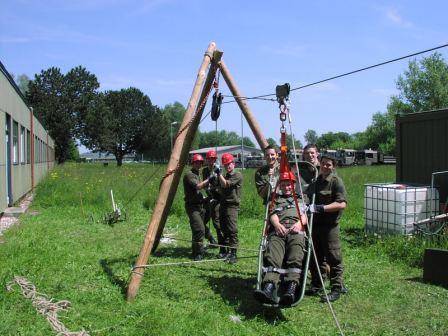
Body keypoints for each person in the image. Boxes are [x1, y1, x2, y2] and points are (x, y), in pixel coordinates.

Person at [254, 171, 308, 305]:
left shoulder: (302, 198)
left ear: (294, 185)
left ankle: (291, 288)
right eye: (283, 184)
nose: (286, 187)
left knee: (295, 255)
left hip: (296, 230)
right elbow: (272, 214)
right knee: (273, 255)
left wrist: (299, 224)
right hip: (278, 230)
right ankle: (269, 287)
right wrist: (277, 224)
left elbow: (305, 216)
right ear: (280, 186)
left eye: (289, 184)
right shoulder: (275, 199)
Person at [307, 155, 348, 302]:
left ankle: (336, 288)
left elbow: (342, 204)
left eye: (328, 165)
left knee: (333, 257)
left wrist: (321, 208)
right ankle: (317, 284)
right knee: (316, 257)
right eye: (323, 164)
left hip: (330, 226)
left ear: (333, 166)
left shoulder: (335, 182)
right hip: (316, 225)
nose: (325, 167)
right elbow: (307, 197)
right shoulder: (316, 181)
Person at [183, 154, 213, 261]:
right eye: (196, 162)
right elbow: (198, 186)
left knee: (198, 228)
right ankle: (198, 253)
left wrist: (206, 197)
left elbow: (198, 191)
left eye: (200, 163)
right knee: (199, 229)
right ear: (193, 163)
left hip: (200, 205)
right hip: (192, 207)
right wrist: (210, 178)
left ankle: (196, 248)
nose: (198, 164)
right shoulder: (189, 175)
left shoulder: (197, 174)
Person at [217, 153, 243, 264]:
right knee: (224, 229)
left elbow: (225, 185)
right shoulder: (225, 175)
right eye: (225, 164)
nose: (228, 166)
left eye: (229, 164)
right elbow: (219, 187)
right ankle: (227, 250)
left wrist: (219, 174)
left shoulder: (237, 175)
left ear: (233, 163)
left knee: (232, 230)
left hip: (232, 206)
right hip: (223, 205)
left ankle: (233, 254)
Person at [202, 150, 225, 257]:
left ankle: (223, 248)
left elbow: (222, 186)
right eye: (209, 159)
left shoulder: (219, 170)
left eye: (213, 159)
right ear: (206, 160)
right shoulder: (205, 170)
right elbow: (205, 185)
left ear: (215, 159)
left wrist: (214, 190)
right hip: (209, 198)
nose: (211, 161)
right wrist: (208, 193)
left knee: (217, 224)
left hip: (218, 200)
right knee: (201, 222)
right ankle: (211, 238)